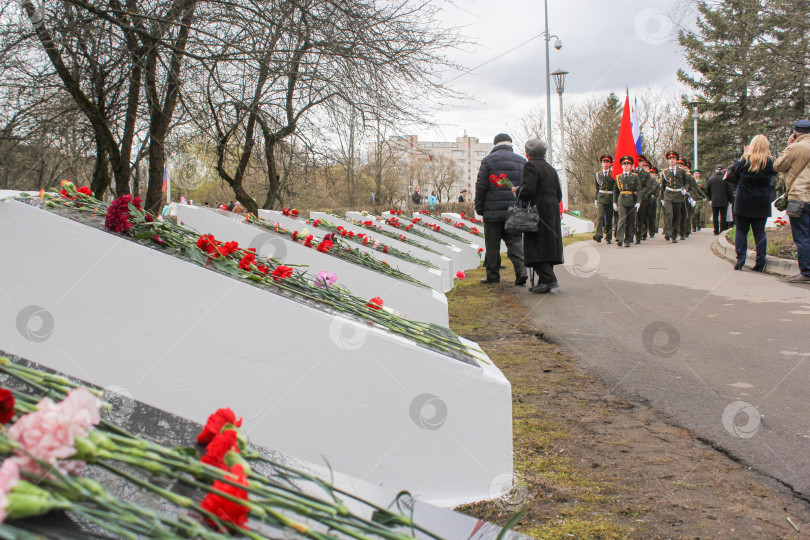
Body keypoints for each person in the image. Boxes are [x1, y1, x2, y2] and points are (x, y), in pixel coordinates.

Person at [474, 133, 527, 285]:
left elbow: (481, 187)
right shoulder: (521, 161)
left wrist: (480, 208)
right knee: (515, 242)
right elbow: (525, 188)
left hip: (492, 211)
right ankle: (521, 272)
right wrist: (522, 207)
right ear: (510, 144)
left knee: (492, 245)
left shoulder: (488, 161)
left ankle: (493, 276)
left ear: (495, 144)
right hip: (514, 210)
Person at [515, 139, 563, 293]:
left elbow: (528, 190)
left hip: (538, 212)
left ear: (528, 154)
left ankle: (549, 279)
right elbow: (559, 194)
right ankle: (544, 281)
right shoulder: (551, 168)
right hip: (552, 211)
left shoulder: (530, 166)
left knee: (536, 245)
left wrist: (516, 190)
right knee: (548, 245)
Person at [727, 134, 776, 272]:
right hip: (761, 202)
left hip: (744, 201)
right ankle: (760, 261)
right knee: (760, 232)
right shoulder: (770, 162)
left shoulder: (744, 160)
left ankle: (741, 258)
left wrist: (744, 154)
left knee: (741, 231)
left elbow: (733, 171)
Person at [774, 119, 810, 283]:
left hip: (799, 196)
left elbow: (778, 166)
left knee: (802, 236)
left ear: (795, 132)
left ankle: (807, 272)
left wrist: (789, 145)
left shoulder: (795, 147)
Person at [660, 151, 689, 243]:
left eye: (674, 159)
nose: (672, 160)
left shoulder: (681, 171)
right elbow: (663, 186)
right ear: (668, 161)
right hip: (668, 194)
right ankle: (667, 232)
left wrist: (685, 189)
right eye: (670, 159)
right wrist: (662, 198)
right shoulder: (665, 172)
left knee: (676, 215)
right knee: (669, 213)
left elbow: (686, 182)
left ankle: (674, 234)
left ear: (676, 160)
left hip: (678, 195)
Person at [613, 155, 641, 247]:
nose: (626, 166)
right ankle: (620, 238)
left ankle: (628, 239)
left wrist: (638, 202)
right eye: (624, 164)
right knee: (622, 219)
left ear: (630, 166)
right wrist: (614, 202)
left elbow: (638, 190)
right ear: (621, 166)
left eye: (628, 164)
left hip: (631, 200)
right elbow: (616, 191)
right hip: (621, 200)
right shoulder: (618, 177)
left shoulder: (635, 176)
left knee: (630, 220)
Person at [593, 154, 616, 244]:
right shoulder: (598, 174)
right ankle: (598, 235)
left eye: (607, 162)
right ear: (601, 163)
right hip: (601, 197)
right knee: (600, 216)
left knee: (609, 218)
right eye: (604, 162)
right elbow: (597, 188)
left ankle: (608, 236)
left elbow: (614, 188)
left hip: (610, 197)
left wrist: (615, 200)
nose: (605, 164)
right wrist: (596, 199)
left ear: (610, 164)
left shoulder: (613, 174)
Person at [705, 165, 733, 235]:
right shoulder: (726, 179)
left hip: (715, 200)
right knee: (723, 216)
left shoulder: (711, 179)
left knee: (715, 216)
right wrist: (731, 200)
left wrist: (710, 198)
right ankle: (722, 230)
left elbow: (707, 190)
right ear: (723, 170)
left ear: (715, 170)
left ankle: (716, 230)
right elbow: (729, 190)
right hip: (724, 201)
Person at [634, 154, 654, 243]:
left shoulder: (646, 174)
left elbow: (648, 186)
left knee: (640, 218)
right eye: (637, 161)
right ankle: (632, 235)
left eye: (641, 161)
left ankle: (639, 235)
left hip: (643, 198)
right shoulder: (632, 172)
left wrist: (640, 193)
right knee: (633, 218)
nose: (639, 163)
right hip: (632, 198)